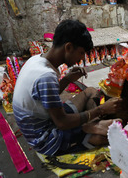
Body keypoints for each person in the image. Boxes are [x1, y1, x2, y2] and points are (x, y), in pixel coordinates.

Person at [12, 20, 122, 156]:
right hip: (45, 137)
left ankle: (89, 126)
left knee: (91, 92)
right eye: (81, 52)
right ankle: (90, 127)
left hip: (45, 119)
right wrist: (100, 110)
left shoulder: (36, 60)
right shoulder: (46, 76)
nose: (82, 58)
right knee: (107, 136)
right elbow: (62, 123)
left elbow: (45, 97)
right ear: (68, 47)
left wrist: (67, 79)